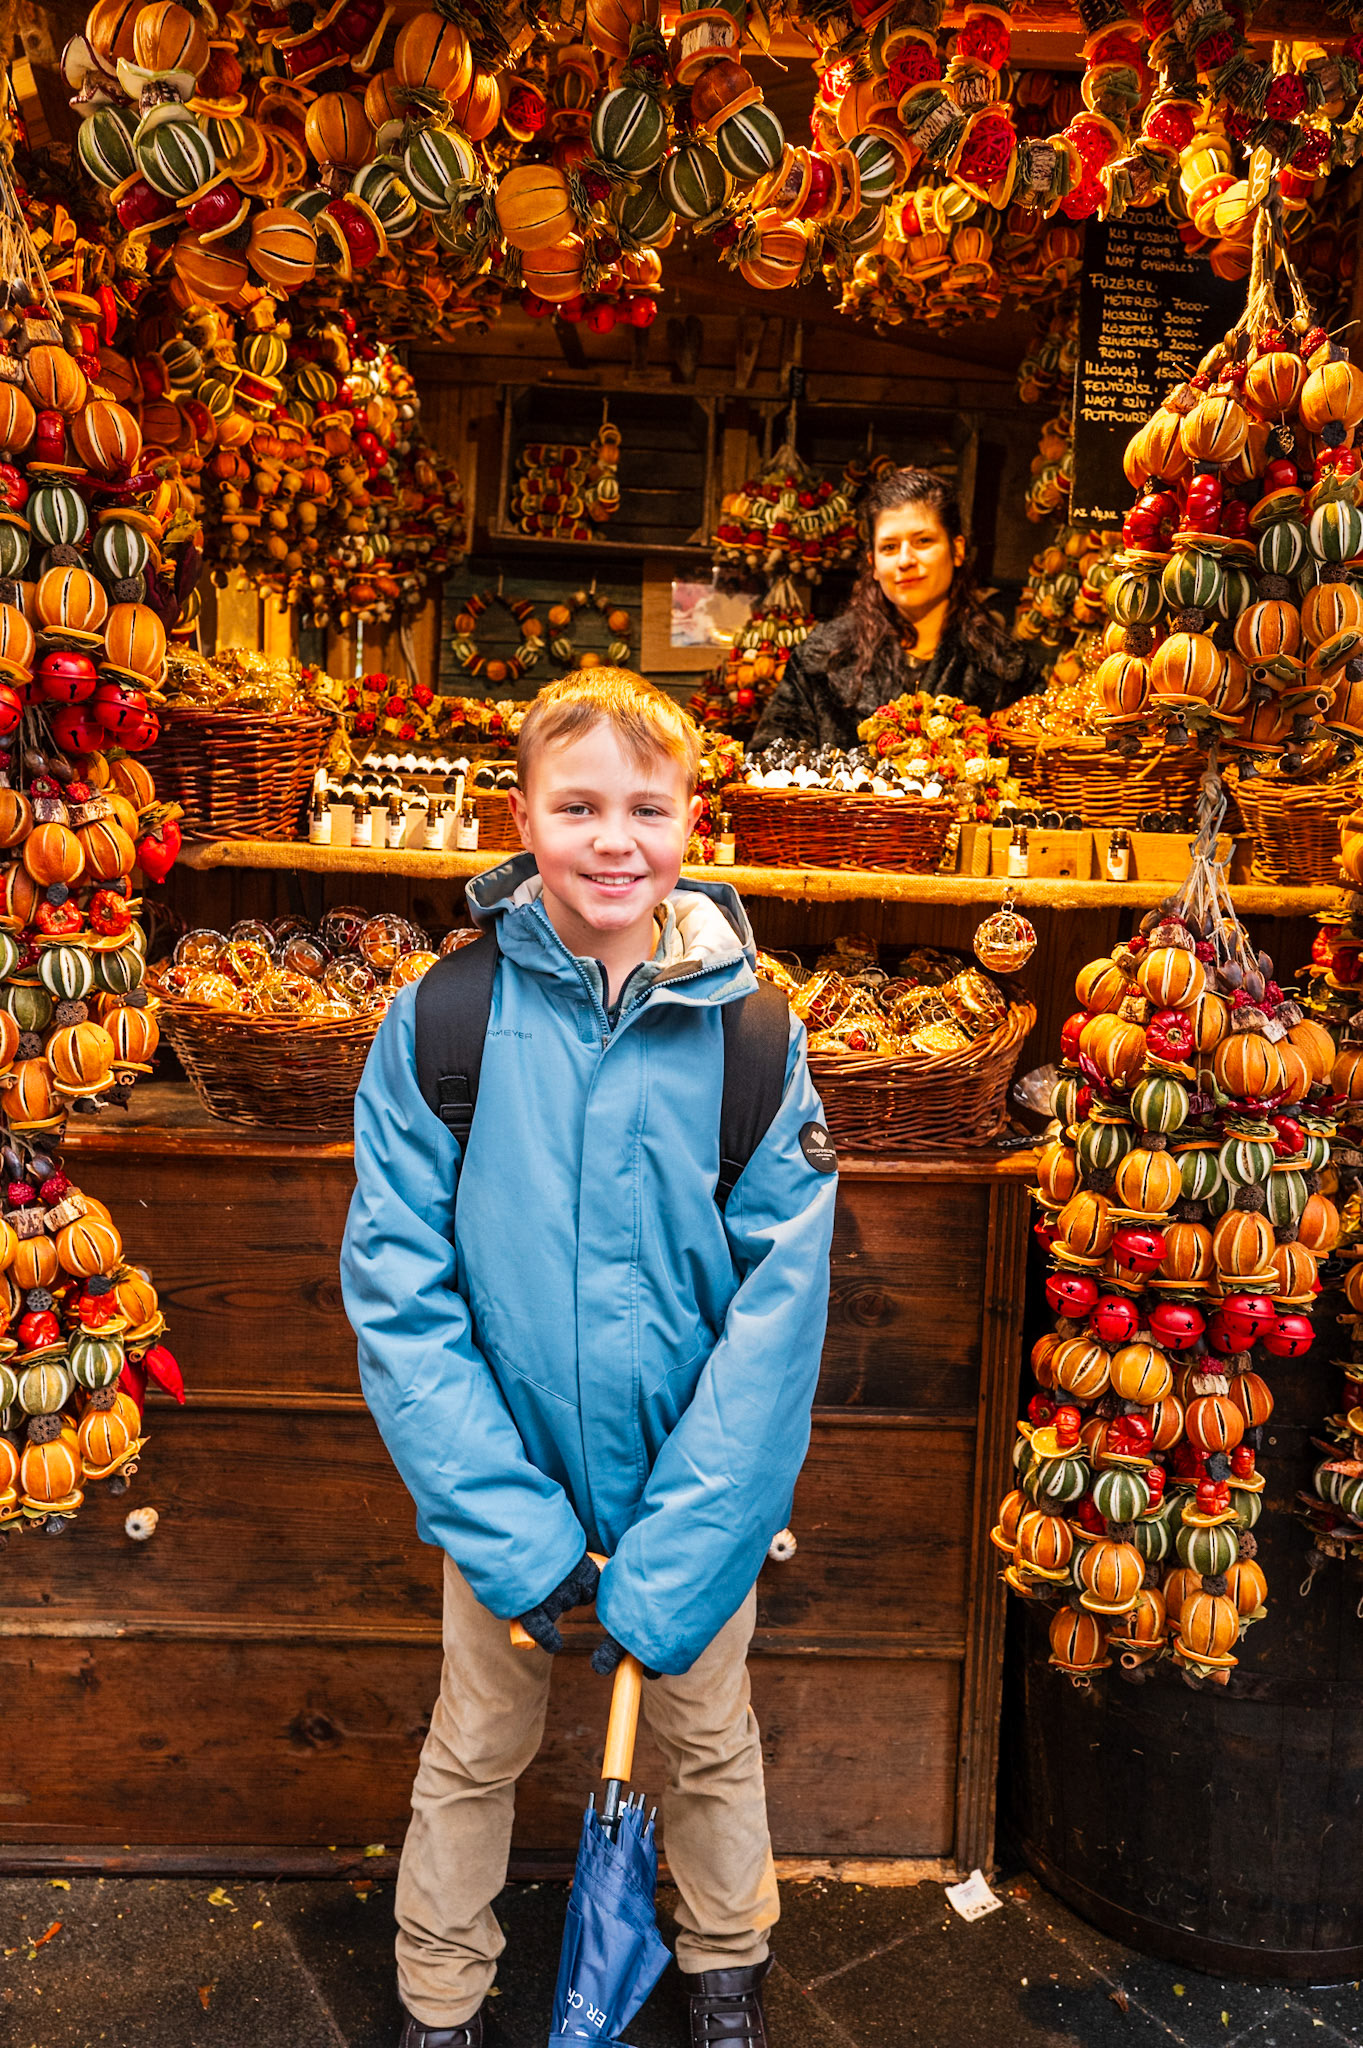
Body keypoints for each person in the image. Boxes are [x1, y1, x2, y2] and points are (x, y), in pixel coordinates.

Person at [341, 669, 837, 2048]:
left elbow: (779, 1306)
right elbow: (399, 1289)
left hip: (692, 1481)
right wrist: (509, 1523)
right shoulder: (444, 1024)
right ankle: (440, 1993)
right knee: (475, 1743)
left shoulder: (751, 1035)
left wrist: (693, 1534)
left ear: (690, 820)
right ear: (521, 818)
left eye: (645, 808)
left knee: (707, 1738)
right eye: (576, 807)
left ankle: (725, 1964)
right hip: (505, 1476)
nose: (613, 839)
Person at [751, 466, 1037, 751]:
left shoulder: (1004, 668)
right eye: (889, 547)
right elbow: (769, 755)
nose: (905, 560)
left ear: (957, 549)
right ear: (873, 563)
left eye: (923, 541)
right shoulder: (823, 658)